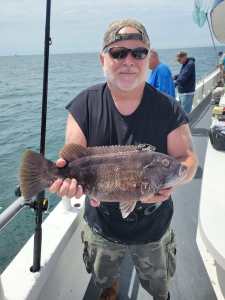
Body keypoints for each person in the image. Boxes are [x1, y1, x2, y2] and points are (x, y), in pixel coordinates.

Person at [49, 19, 198, 300]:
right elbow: (72, 161)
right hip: (102, 228)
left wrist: (171, 186)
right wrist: (66, 183)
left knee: (159, 287)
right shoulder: (84, 105)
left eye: (138, 52)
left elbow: (186, 160)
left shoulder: (169, 108)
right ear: (102, 58)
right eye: (118, 53)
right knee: (105, 283)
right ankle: (110, 290)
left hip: (155, 229)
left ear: (148, 56)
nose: (128, 60)